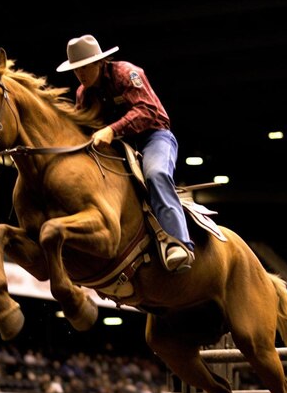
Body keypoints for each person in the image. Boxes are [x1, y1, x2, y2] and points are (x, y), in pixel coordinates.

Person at [56, 34, 194, 272]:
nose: (80, 75)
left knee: (155, 174)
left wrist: (112, 129)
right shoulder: (83, 94)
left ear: (99, 62)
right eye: (76, 70)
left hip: (154, 137)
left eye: (84, 67)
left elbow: (148, 110)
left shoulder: (126, 73)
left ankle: (180, 243)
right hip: (118, 147)